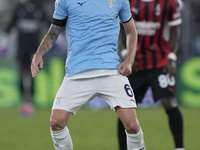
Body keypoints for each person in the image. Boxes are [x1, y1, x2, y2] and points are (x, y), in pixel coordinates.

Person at [30, 0, 146, 149]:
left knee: (132, 126)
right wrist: (39, 53)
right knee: (56, 122)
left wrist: (129, 61)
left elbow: (131, 30)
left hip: (111, 71)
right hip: (77, 72)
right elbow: (54, 30)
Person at [118, 0, 184, 150]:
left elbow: (175, 30)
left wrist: (172, 57)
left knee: (170, 103)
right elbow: (121, 28)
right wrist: (126, 54)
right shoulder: (127, 2)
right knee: (124, 109)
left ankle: (180, 148)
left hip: (160, 63)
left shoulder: (169, 3)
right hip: (135, 65)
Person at [6, 0, 48, 116]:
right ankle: (23, 102)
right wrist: (4, 41)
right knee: (21, 74)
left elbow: (50, 25)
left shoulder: (39, 8)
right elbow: (9, 26)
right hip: (21, 49)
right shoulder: (19, 8)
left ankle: (31, 102)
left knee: (32, 76)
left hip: (35, 50)